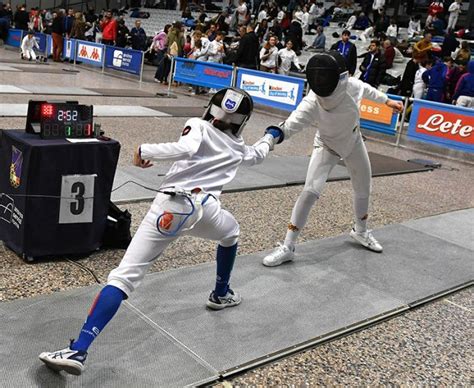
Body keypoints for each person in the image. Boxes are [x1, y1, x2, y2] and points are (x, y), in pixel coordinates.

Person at [38, 88, 283, 375]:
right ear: (242, 121)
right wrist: (272, 136)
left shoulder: (200, 125)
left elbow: (187, 147)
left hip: (172, 208)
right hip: (206, 211)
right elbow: (258, 154)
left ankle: (79, 349)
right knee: (231, 233)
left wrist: (144, 150)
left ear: (211, 109)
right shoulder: (239, 145)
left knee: (123, 277)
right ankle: (220, 293)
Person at [261, 51, 403, 267]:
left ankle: (360, 232)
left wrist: (387, 101)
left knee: (363, 188)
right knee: (310, 192)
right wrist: (269, 138)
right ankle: (288, 247)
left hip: (354, 142)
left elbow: (368, 89)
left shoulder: (352, 86)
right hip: (326, 146)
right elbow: (289, 125)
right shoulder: (312, 101)